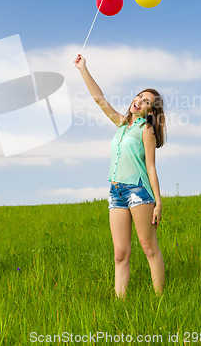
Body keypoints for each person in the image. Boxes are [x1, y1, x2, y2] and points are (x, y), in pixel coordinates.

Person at [74, 53, 166, 298]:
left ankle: (160, 300)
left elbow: (151, 168)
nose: (139, 100)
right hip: (115, 192)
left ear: (149, 111)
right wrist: (83, 68)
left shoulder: (146, 129)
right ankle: (120, 303)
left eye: (146, 101)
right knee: (120, 253)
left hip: (138, 191)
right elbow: (98, 98)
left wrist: (158, 202)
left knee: (149, 248)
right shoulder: (121, 123)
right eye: (139, 96)